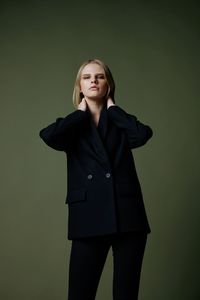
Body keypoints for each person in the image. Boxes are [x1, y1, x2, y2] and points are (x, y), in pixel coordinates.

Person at [39, 59, 153, 300]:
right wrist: (80, 114)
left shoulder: (119, 122)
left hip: (128, 217)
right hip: (89, 217)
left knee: (126, 295)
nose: (93, 80)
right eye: (87, 77)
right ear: (79, 86)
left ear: (108, 84)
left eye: (100, 76)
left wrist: (113, 109)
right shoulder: (73, 127)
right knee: (80, 294)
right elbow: (49, 136)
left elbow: (142, 135)